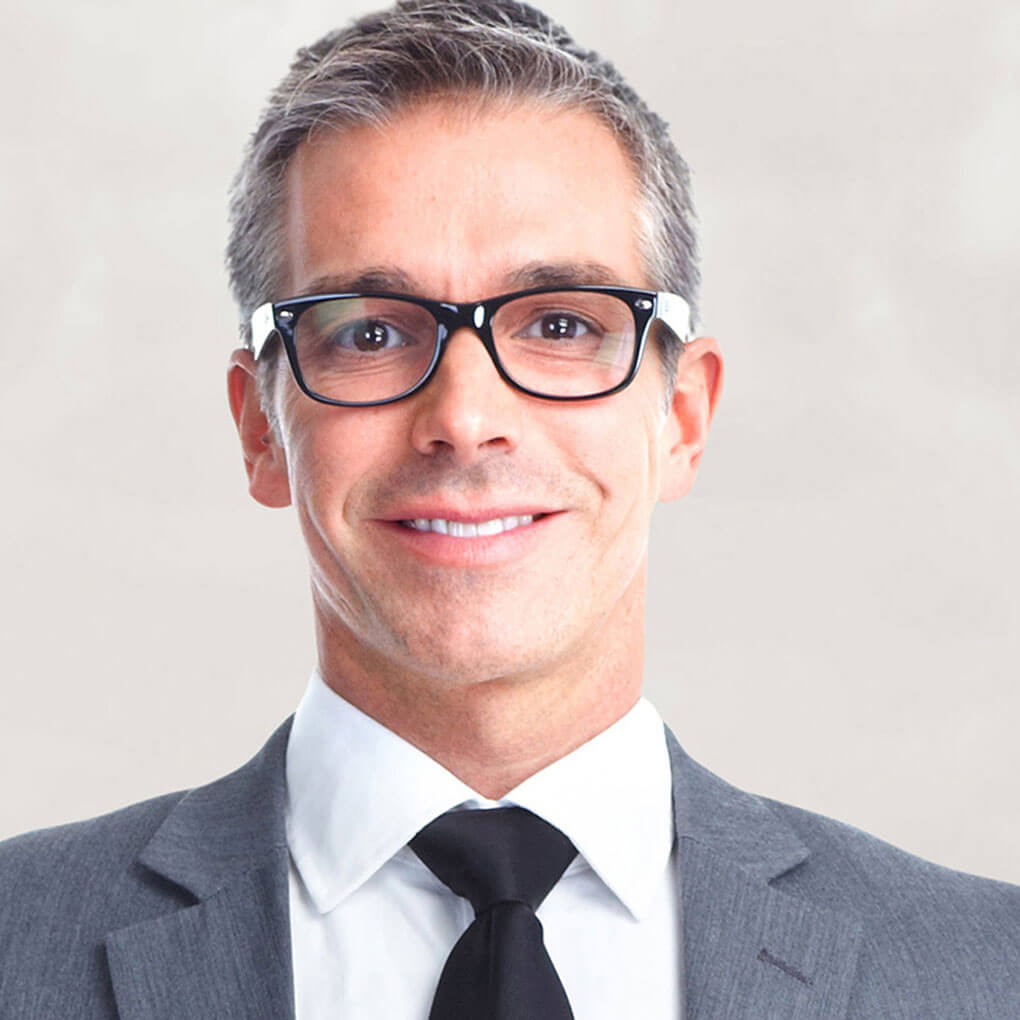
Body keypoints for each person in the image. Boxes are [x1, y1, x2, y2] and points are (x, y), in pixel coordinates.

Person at [1, 1, 1018, 1016]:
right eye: (368, 333)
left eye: (562, 324)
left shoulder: (985, 968)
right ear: (261, 429)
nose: (466, 418)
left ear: (683, 418)